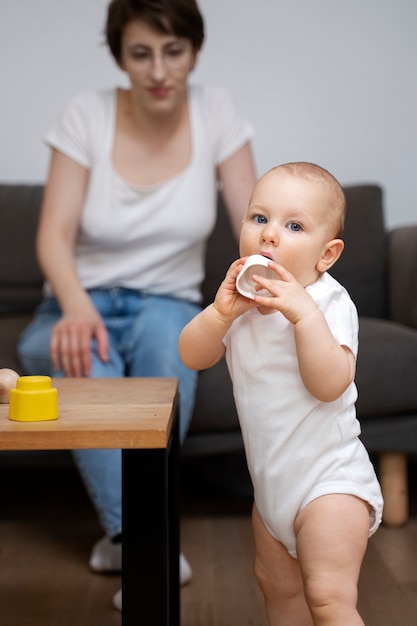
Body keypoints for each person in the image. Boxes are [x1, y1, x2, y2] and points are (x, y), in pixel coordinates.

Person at [17, 0, 256, 611]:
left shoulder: (217, 110)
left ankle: (131, 538)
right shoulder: (85, 114)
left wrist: (272, 283)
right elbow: (52, 234)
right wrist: (73, 305)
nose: (158, 70)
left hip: (167, 302)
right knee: (78, 358)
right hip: (81, 303)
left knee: (163, 347)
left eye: (173, 52)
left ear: (194, 52)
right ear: (120, 55)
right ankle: (140, 539)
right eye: (141, 53)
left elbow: (251, 220)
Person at [179, 162, 383, 626]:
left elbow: (330, 384)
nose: (269, 235)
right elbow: (192, 355)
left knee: (329, 597)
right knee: (278, 591)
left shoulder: (330, 303)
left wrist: (303, 314)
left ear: (326, 255)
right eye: (259, 218)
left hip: (330, 482)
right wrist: (219, 313)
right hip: (272, 488)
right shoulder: (242, 304)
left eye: (293, 226)